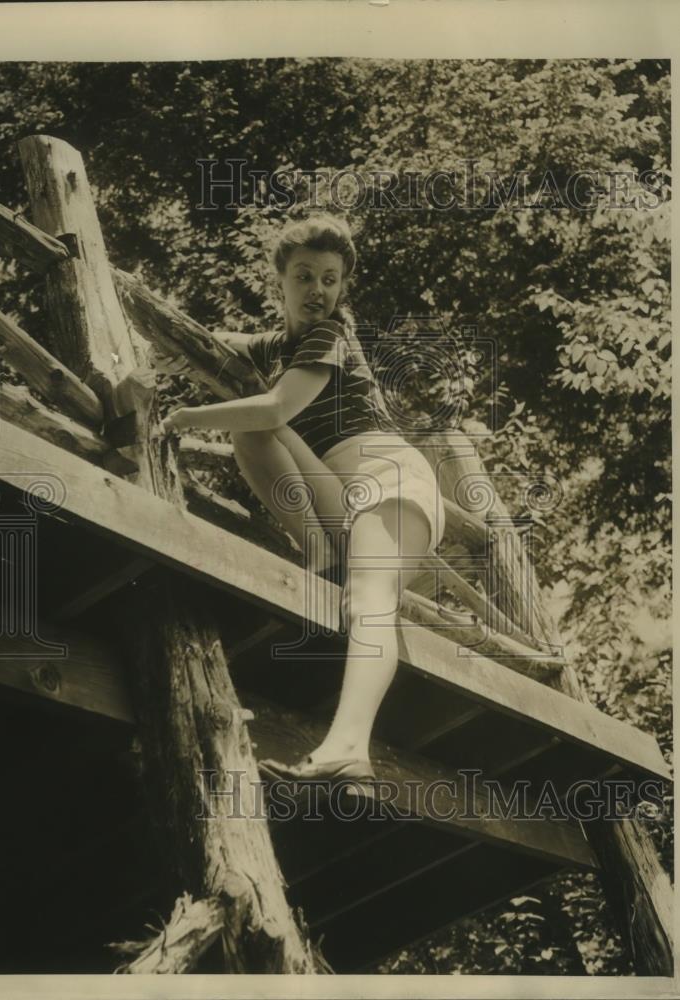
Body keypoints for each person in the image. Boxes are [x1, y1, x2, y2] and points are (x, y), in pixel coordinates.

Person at [156, 214, 445, 786]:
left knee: (368, 603)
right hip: (336, 496)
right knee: (249, 434)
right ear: (280, 280)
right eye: (305, 276)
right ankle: (319, 553)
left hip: (387, 479)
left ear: (342, 287)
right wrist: (171, 352)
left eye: (331, 279)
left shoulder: (330, 335)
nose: (318, 291)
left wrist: (184, 417)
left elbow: (275, 409)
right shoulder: (277, 344)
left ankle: (346, 749)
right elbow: (211, 343)